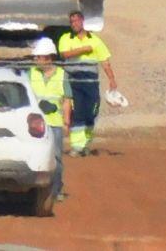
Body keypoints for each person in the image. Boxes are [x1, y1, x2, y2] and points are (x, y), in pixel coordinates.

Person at [58, 11, 120, 155]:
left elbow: (105, 61)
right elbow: (65, 54)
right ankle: (77, 146)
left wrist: (111, 79)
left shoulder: (95, 40)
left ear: (82, 21)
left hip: (91, 81)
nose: (74, 24)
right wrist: (83, 49)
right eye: (72, 22)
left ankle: (86, 143)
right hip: (75, 79)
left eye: (76, 21)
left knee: (92, 111)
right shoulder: (66, 38)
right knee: (79, 111)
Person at [28, 36, 72, 201]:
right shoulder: (31, 73)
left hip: (54, 123)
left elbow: (67, 100)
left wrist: (66, 122)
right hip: (36, 125)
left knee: (56, 158)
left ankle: (56, 190)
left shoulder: (62, 75)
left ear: (48, 57)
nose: (36, 60)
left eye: (39, 57)